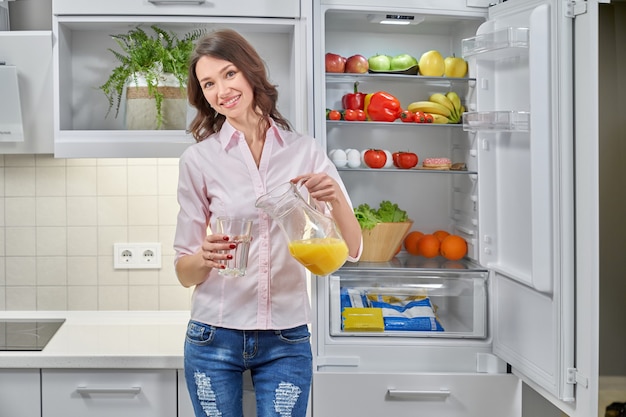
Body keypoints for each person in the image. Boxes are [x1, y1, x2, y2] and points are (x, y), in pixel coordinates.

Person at [173, 29, 362, 417]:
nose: (221, 90)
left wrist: (335, 196)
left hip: (286, 339)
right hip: (213, 336)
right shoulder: (198, 160)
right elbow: (183, 272)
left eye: (228, 74)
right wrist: (205, 256)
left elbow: (353, 249)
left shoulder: (304, 151)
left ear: (249, 71)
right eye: (208, 83)